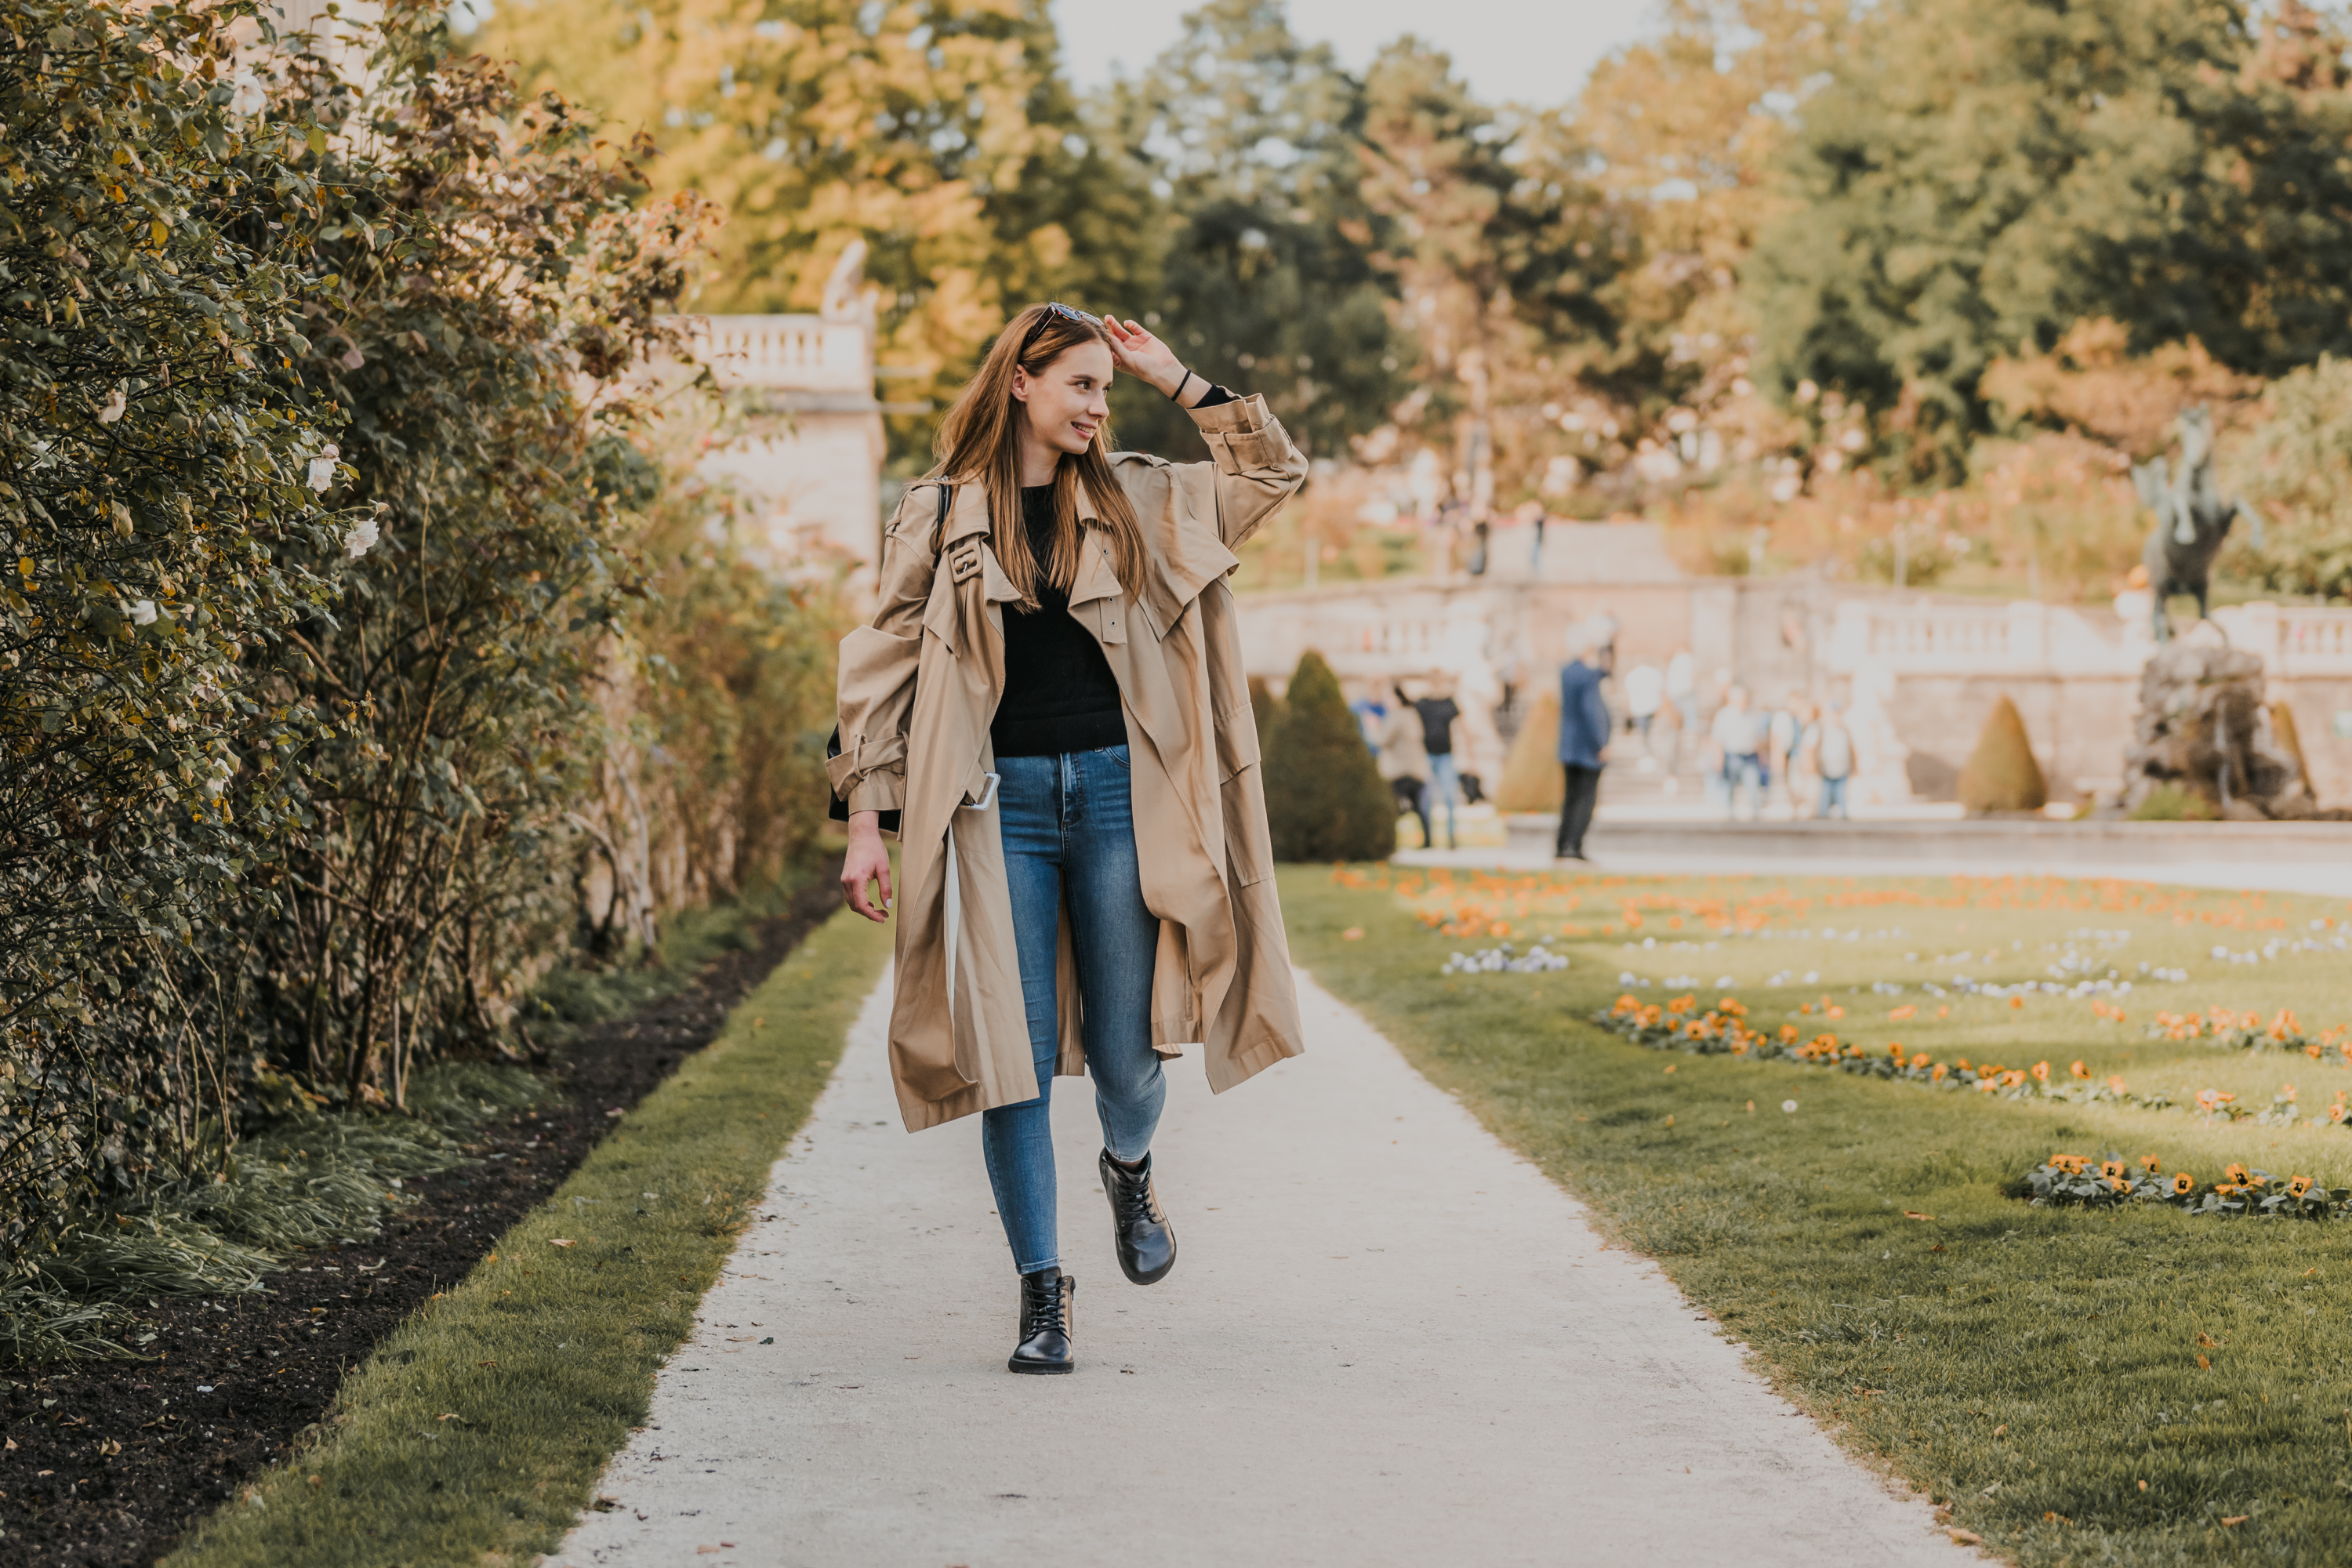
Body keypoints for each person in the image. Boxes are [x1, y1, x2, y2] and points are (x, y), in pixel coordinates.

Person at [831, 303, 1308, 1377]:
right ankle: (1043, 1296)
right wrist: (866, 819)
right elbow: (880, 665)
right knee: (1012, 1060)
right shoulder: (940, 511)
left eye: (1105, 386)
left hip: (1116, 797)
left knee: (1134, 1062)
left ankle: (1128, 1165)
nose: (1098, 404)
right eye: (1081, 384)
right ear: (1022, 384)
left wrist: (1179, 381)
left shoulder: (1144, 493)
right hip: (994, 807)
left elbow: (1274, 478)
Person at [1555, 636, 1612, 861]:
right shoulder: (1588, 676)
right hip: (1587, 748)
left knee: (1570, 798)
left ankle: (1562, 843)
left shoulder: (1567, 672)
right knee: (1585, 799)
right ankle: (1574, 844)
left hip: (1569, 746)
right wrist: (1602, 743)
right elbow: (1592, 711)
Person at [1413, 677, 1464, 851]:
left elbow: (1462, 726)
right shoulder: (1422, 704)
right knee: (1427, 798)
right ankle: (1428, 838)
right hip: (1427, 755)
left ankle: (1451, 836)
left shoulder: (1449, 703)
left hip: (1445, 756)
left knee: (1449, 796)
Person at [1378, 682, 1432, 848]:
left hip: (1399, 770)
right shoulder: (1413, 715)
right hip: (1416, 769)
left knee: (1393, 808)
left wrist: (1372, 727)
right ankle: (1428, 841)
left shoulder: (1396, 717)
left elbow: (1383, 740)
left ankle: (1389, 841)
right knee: (1419, 809)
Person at [1711, 684, 1766, 820]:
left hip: (1749, 755)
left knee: (1753, 785)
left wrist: (1762, 754)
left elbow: (1759, 737)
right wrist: (1718, 758)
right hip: (1732, 755)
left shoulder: (1753, 715)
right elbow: (1718, 739)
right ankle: (1730, 814)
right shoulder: (1724, 715)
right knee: (1730, 787)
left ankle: (1756, 815)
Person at [1806, 701, 1857, 818]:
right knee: (1824, 795)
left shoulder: (1845, 730)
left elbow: (1852, 748)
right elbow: (1809, 748)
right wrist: (1810, 764)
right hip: (1825, 769)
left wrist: (1855, 765)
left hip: (1843, 768)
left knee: (1842, 795)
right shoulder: (1819, 728)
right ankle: (1822, 816)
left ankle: (1843, 817)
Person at [1621, 660, 1664, 766]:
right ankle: (1646, 751)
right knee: (1646, 731)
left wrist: (1627, 708)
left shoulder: (1632, 675)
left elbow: (1626, 693)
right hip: (1651, 706)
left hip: (1638, 708)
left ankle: (1645, 751)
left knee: (1643, 731)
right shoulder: (1653, 673)